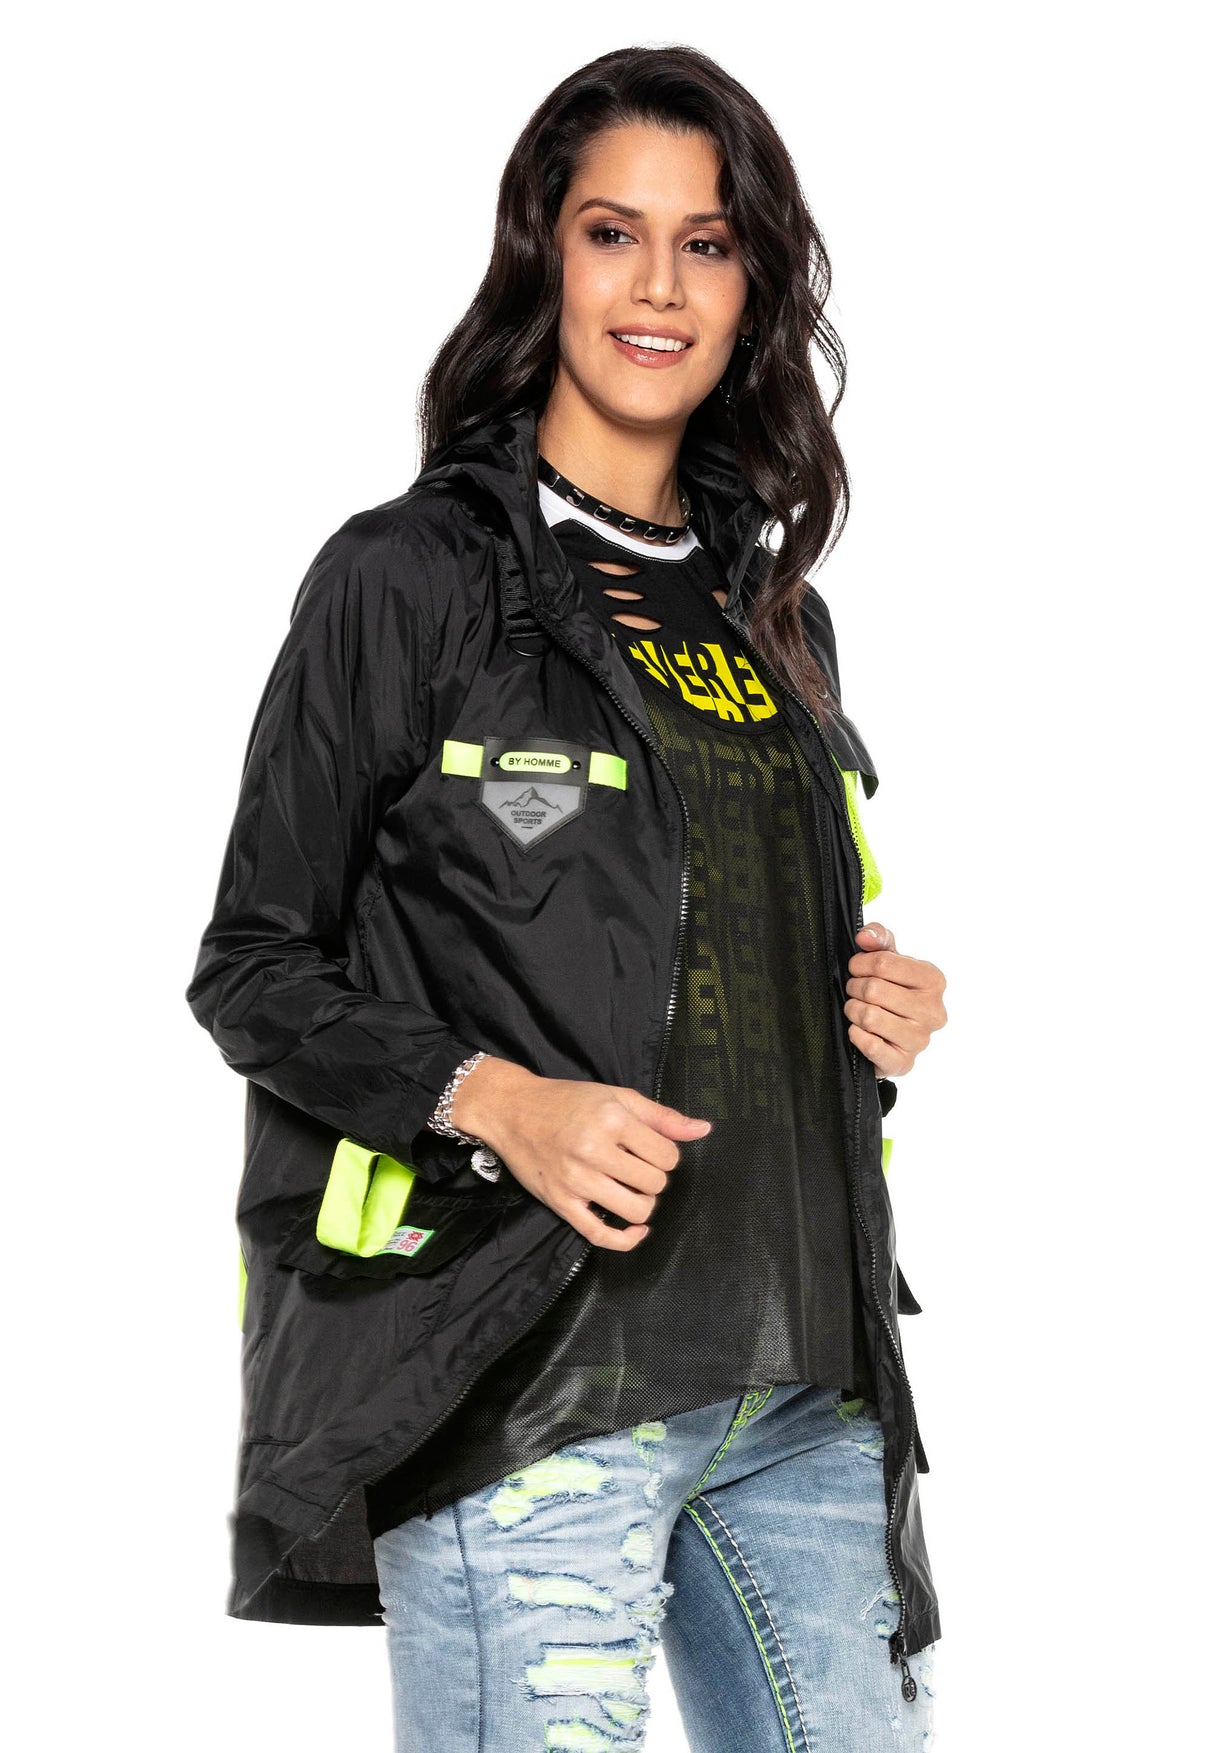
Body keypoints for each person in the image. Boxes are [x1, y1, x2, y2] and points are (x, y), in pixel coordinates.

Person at [185, 43, 949, 1753]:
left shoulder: (775, 615)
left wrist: (871, 1013)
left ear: (753, 286)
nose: (658, 286)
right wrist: (494, 1099)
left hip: (803, 1380)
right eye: (614, 234)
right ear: (545, 257)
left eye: (706, 242)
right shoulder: (412, 576)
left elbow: (697, 951)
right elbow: (251, 964)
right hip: (532, 1381)